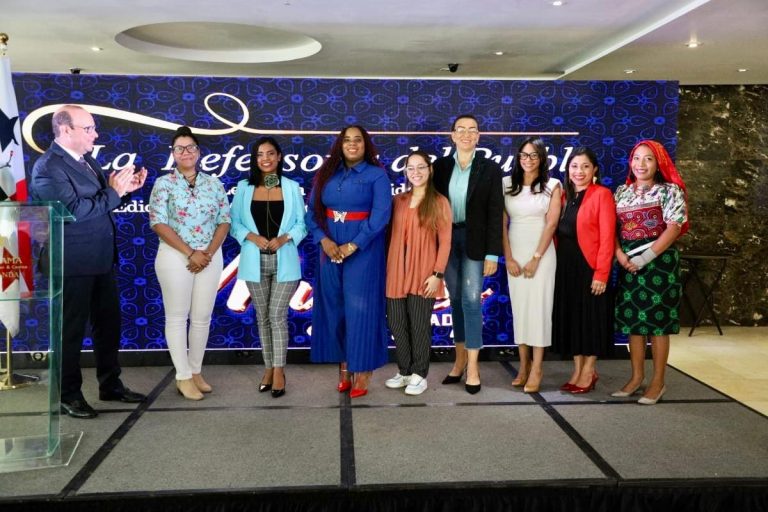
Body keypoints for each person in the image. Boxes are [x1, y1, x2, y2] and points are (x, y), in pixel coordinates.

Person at [29, 104, 148, 418]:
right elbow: (72, 212)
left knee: (108, 325)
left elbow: (100, 203)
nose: (95, 134)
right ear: (65, 129)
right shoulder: (48, 167)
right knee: (70, 332)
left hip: (100, 259)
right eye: (89, 128)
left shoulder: (86, 160)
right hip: (71, 263)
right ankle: (68, 395)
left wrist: (125, 191)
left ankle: (110, 385)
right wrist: (113, 192)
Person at [305, 125, 392, 398]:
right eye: (347, 140)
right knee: (335, 308)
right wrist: (324, 240)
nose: (352, 144)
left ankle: (363, 370)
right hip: (330, 249)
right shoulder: (327, 173)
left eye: (358, 140)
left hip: (364, 251)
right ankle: (344, 366)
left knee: (361, 310)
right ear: (340, 145)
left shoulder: (377, 175)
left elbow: (381, 216)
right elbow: (312, 213)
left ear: (366, 145)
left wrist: (354, 244)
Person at [148, 126, 230, 401]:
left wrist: (207, 253)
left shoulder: (214, 183)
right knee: (176, 316)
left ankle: (195, 371)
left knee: (202, 317)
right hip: (175, 256)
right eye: (179, 148)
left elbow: (224, 221)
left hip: (210, 256)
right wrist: (190, 252)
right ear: (173, 153)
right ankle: (182, 376)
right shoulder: (164, 184)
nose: (186, 152)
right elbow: (158, 223)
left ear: (198, 152)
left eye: (191, 147)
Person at [613, 140, 689, 405]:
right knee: (634, 323)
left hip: (659, 263)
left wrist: (646, 257)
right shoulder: (622, 192)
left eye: (648, 159)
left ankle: (658, 382)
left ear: (658, 163)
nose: (641, 164)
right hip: (628, 265)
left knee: (657, 324)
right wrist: (620, 255)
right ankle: (636, 378)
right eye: (637, 158)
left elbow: (674, 227)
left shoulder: (669, 191)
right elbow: (612, 228)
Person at [230, 136, 307, 398]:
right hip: (254, 261)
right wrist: (252, 237)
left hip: (285, 261)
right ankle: (268, 368)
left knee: (276, 316)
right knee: (262, 317)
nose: (266, 159)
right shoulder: (243, 188)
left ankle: (279, 371)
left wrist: (285, 238)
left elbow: (302, 224)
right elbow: (234, 223)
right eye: (260, 154)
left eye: (271, 153)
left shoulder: (291, 187)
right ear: (255, 159)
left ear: (279, 157)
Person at [433, 114, 504, 394]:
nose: (466, 134)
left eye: (471, 130)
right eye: (460, 130)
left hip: (476, 243)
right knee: (456, 300)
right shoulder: (440, 167)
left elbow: (495, 213)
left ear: (478, 136)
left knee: (472, 301)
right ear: (452, 135)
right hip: (447, 241)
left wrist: (493, 254)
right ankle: (459, 361)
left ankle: (473, 368)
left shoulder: (490, 169)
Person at [384, 150, 452, 396]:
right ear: (405, 172)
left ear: (430, 170)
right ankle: (404, 371)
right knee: (396, 323)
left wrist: (437, 274)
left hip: (424, 272)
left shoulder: (439, 202)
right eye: (411, 168)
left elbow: (445, 242)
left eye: (421, 167)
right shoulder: (398, 201)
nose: (416, 172)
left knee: (420, 325)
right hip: (396, 271)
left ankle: (419, 374)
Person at [552, 147, 616, 394]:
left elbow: (608, 238)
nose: (579, 171)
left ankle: (589, 370)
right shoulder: (564, 197)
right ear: (568, 169)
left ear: (594, 169)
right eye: (575, 166)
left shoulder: (602, 194)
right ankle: (577, 370)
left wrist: (601, 273)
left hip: (589, 268)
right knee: (573, 320)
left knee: (590, 321)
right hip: (565, 267)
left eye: (585, 166)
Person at [501, 137, 561, 393]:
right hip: (515, 252)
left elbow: (552, 224)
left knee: (539, 310)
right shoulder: (506, 184)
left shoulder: (552, 185)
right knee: (521, 310)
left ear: (542, 159)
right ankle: (523, 366)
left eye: (534, 155)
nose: (528, 160)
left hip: (542, 256)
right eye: (524, 155)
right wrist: (509, 258)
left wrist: (536, 258)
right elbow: (501, 224)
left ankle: (537, 368)